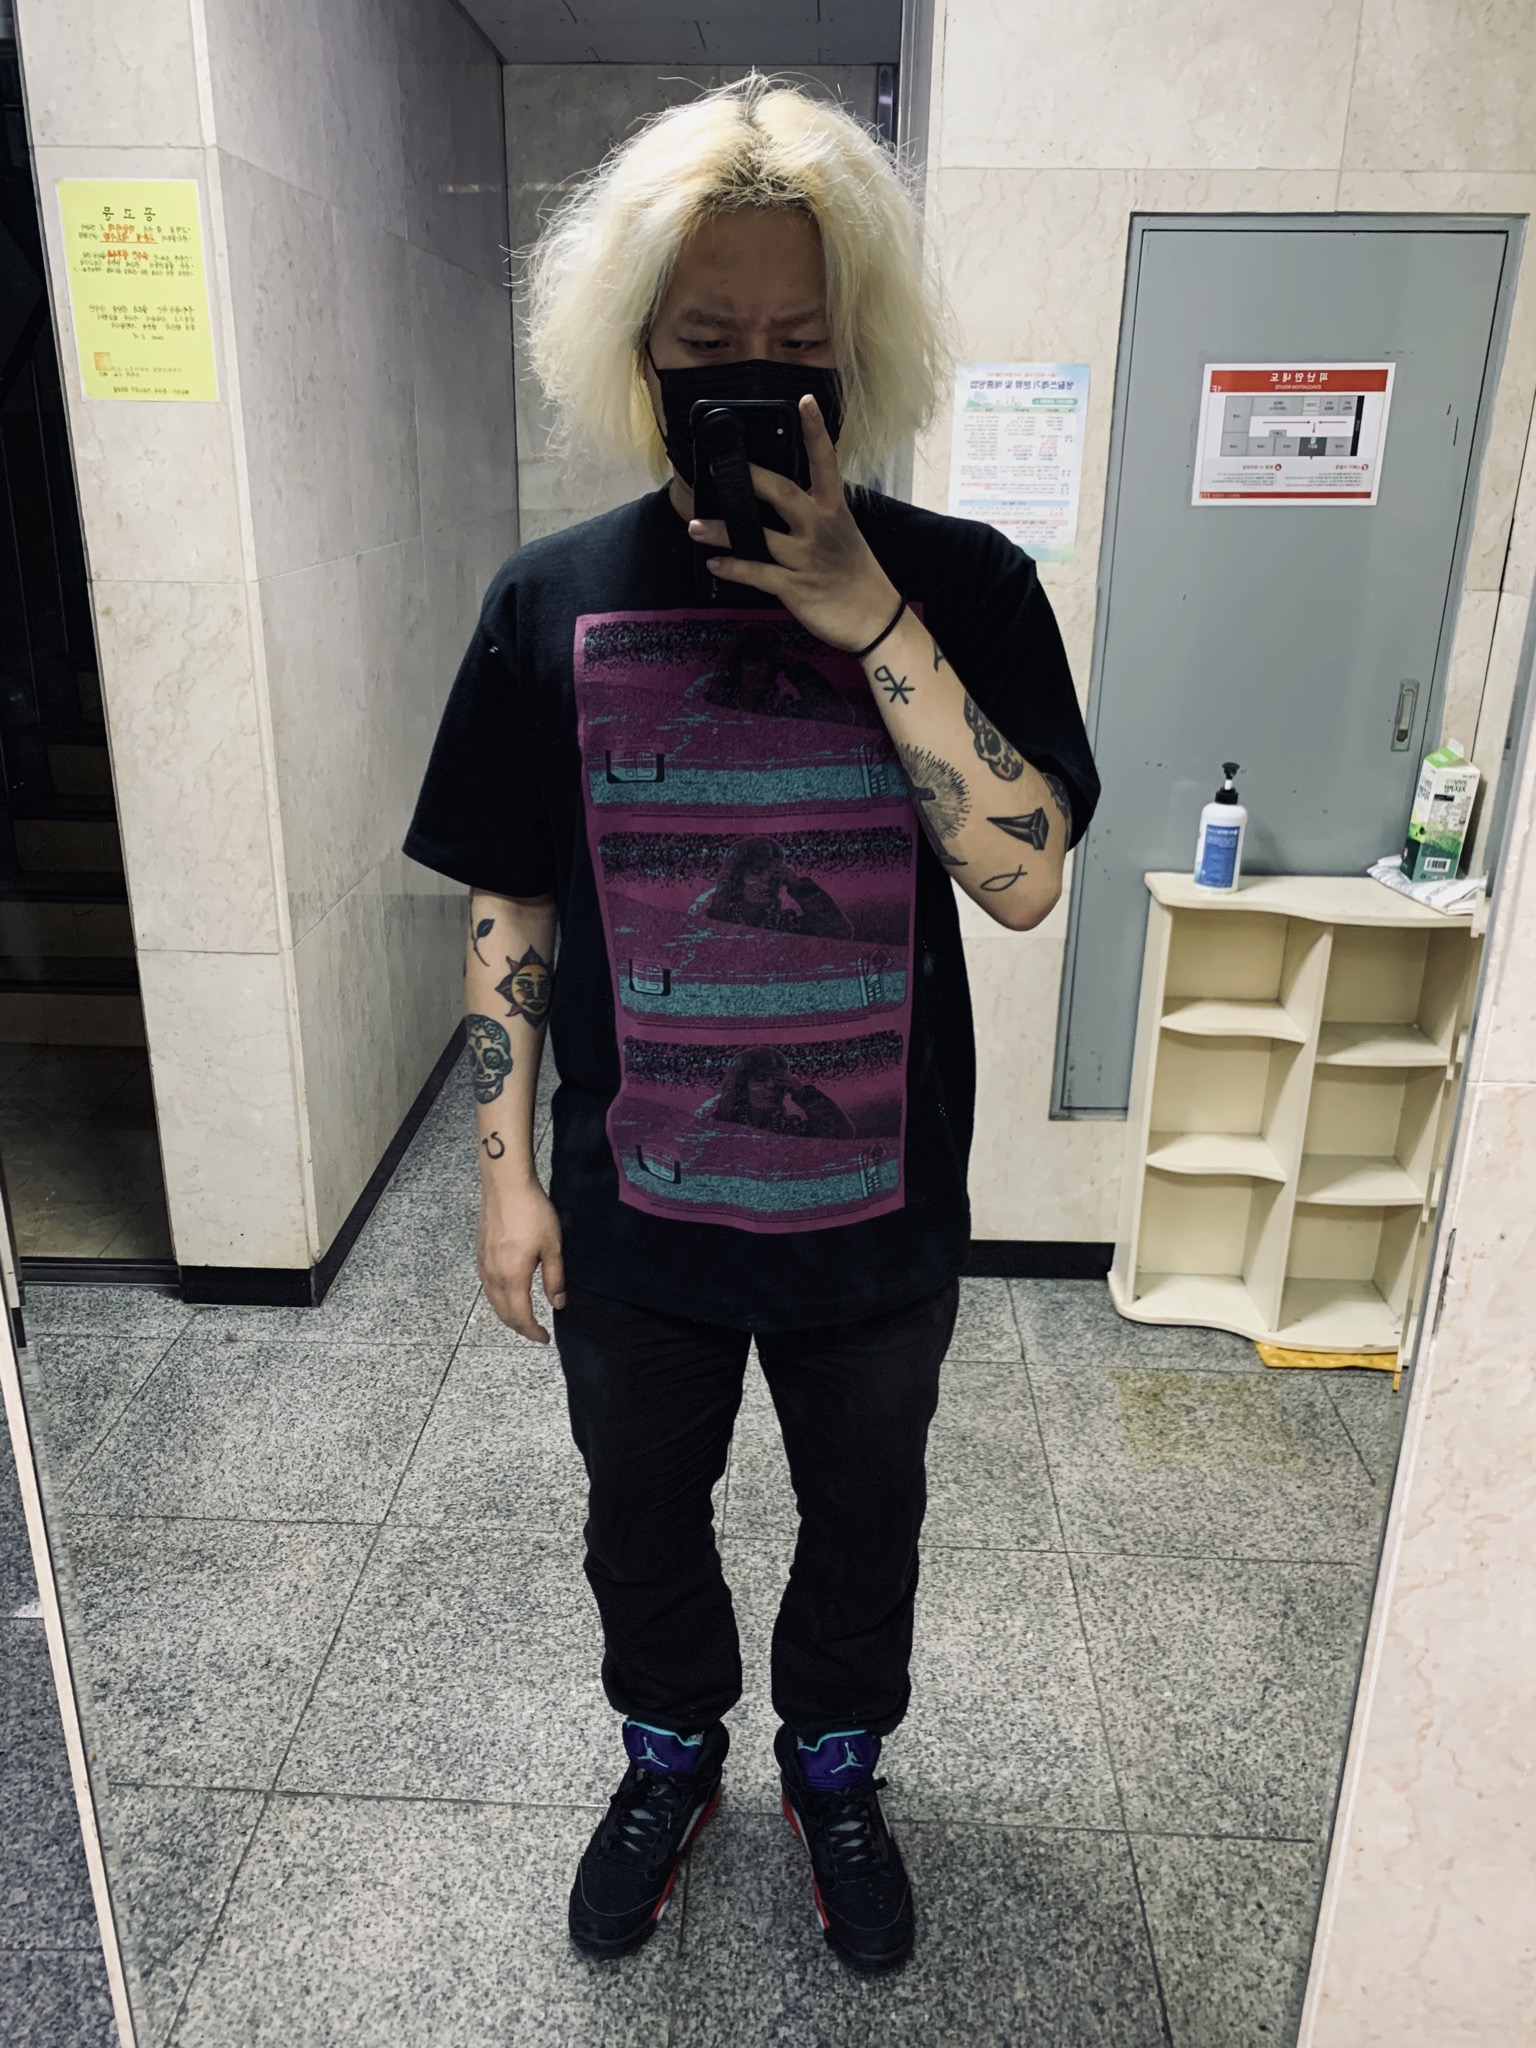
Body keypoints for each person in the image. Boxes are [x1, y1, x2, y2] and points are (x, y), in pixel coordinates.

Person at [404, 77, 1098, 1975]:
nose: (752, 378)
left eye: (795, 342)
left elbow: (1024, 874)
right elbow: (510, 898)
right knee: (640, 1515)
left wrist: (867, 613)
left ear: (854, 355)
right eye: (708, 344)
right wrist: (502, 1180)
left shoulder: (964, 587)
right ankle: (670, 1757)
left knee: (867, 1517)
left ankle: (836, 1767)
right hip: (634, 1216)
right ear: (640, 353)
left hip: (877, 1220)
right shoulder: (549, 600)